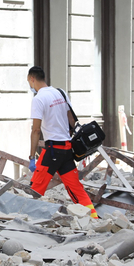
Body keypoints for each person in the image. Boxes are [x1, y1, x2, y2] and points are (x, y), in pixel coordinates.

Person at [26, 66, 99, 219]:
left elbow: (36, 130)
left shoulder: (39, 99)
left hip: (52, 150)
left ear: (32, 79)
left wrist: (32, 157)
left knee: (36, 189)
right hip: (67, 149)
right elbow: (71, 120)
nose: (30, 86)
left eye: (29, 82)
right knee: (76, 189)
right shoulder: (60, 93)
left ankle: (28, 219)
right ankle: (94, 218)